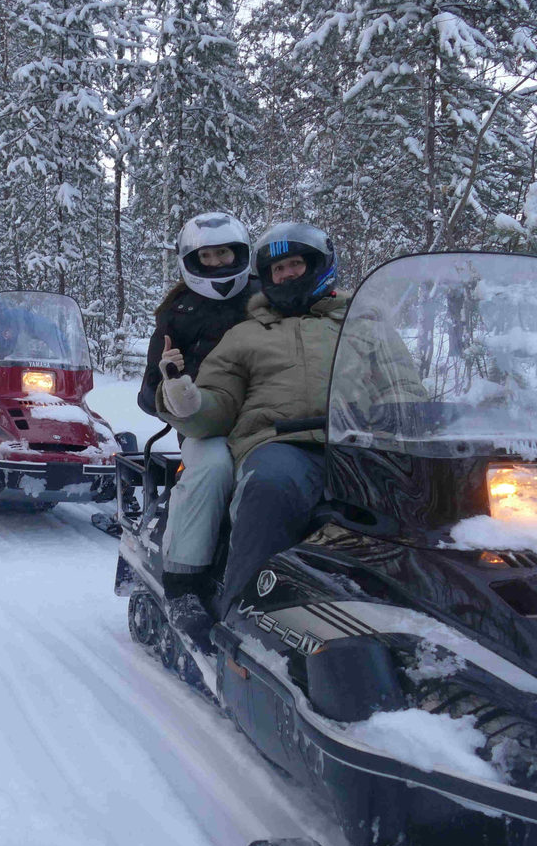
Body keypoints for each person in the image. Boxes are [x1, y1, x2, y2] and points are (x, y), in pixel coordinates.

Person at [158, 223, 425, 646]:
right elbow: (220, 400)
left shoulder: (365, 323)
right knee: (270, 486)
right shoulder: (245, 333)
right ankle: (240, 613)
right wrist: (190, 401)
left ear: (319, 264)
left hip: (362, 446)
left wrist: (411, 418)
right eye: (277, 269)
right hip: (280, 444)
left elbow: (402, 386)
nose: (286, 275)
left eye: (295, 263)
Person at [137, 213, 253, 617]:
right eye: (208, 256)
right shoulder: (178, 310)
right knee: (215, 465)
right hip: (204, 421)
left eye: (225, 253)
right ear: (192, 260)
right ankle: (184, 578)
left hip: (266, 413)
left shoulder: (264, 297)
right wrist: (172, 384)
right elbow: (149, 388)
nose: (218, 263)